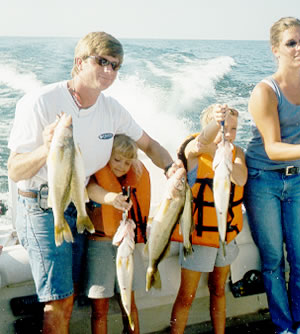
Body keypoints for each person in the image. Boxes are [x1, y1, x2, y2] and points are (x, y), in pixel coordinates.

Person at [7, 31, 179, 334]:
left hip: (81, 208)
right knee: (59, 300)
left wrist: (172, 168)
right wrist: (47, 150)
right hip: (40, 205)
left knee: (69, 297)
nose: (109, 71)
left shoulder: (111, 110)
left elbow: (150, 145)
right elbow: (15, 170)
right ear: (79, 62)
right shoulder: (40, 102)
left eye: (116, 66)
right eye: (102, 62)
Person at [243, 17, 300, 334]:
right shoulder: (265, 92)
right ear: (275, 49)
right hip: (262, 180)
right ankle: (283, 327)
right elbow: (273, 148)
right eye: (292, 43)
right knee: (272, 260)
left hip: (297, 182)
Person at [170, 104, 247, 334]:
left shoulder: (236, 154)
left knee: (218, 289)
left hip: (225, 234)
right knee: (187, 296)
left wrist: (222, 156)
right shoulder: (195, 151)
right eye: (222, 127)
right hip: (199, 238)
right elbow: (200, 144)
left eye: (232, 129)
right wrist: (216, 129)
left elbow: (241, 179)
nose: (227, 134)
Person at [85, 134, 150, 334]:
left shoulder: (133, 179)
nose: (121, 166)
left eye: (127, 162)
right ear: (107, 156)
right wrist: (112, 197)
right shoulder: (95, 176)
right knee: (99, 309)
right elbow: (91, 189)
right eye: (117, 159)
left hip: (127, 247)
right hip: (100, 245)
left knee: (129, 304)